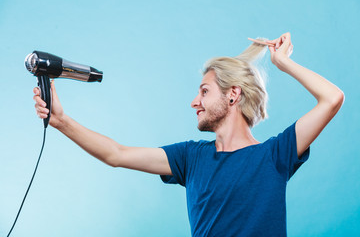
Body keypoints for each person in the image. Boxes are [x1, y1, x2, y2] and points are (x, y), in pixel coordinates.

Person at [33, 33, 344, 236]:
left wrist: (284, 63)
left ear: (232, 95)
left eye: (204, 92)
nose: (194, 102)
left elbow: (332, 99)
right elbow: (117, 154)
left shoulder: (275, 156)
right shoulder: (191, 158)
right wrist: (61, 121)